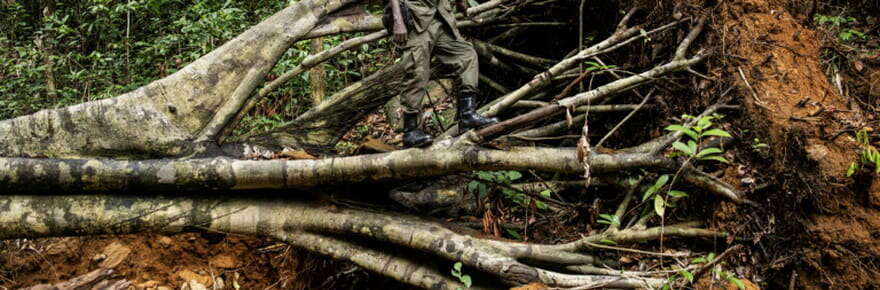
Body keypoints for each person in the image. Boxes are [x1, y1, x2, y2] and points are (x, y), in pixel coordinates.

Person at [387, 0, 498, 147]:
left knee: (466, 55)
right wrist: (397, 20)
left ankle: (467, 114)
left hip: (441, 16)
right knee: (417, 71)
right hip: (416, 18)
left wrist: (462, 6)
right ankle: (411, 131)